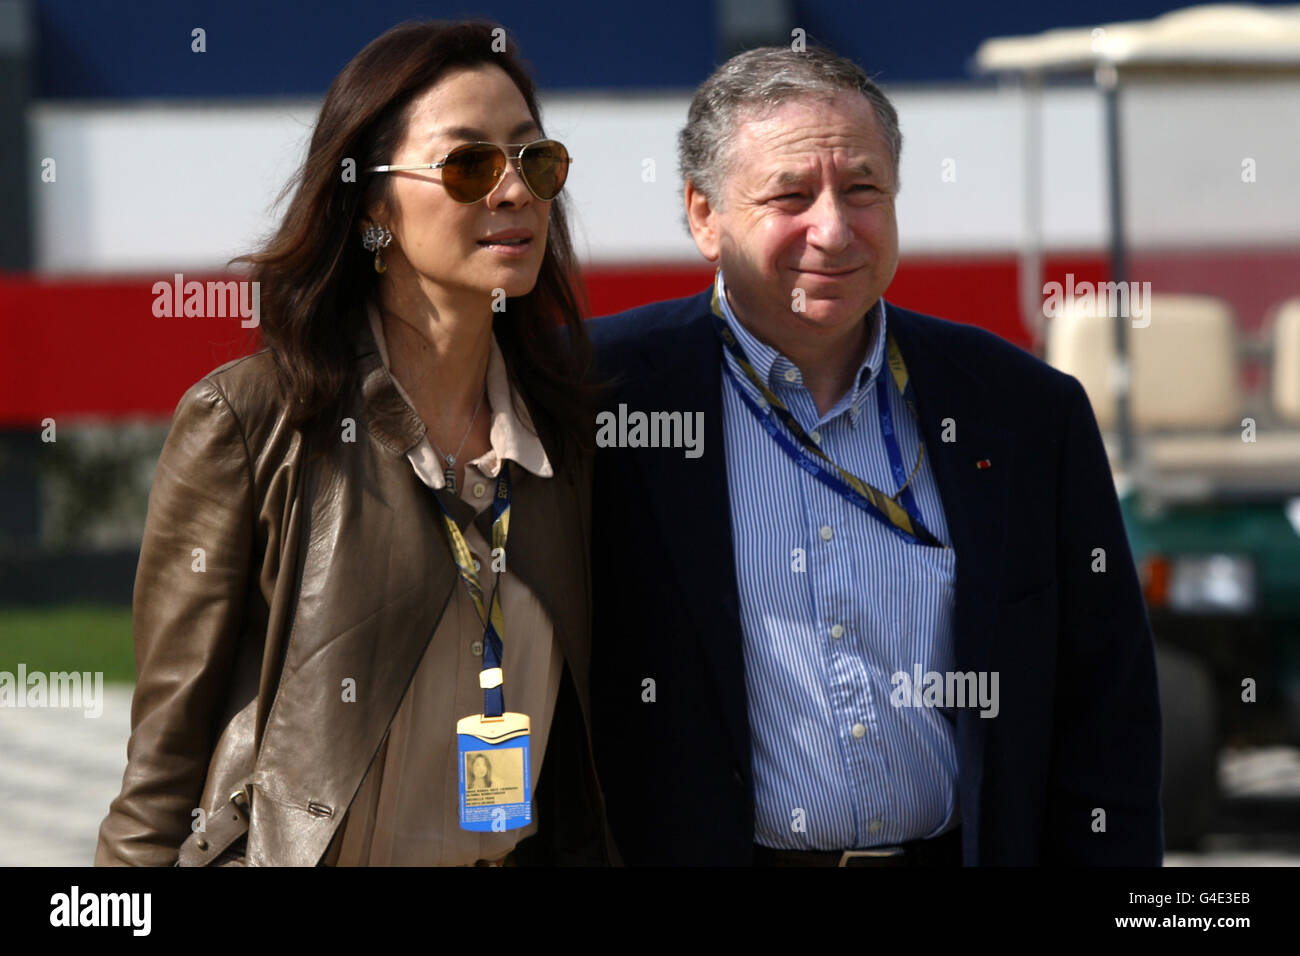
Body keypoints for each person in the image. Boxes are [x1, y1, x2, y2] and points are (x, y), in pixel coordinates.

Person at [587, 45, 1162, 866]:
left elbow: (1108, 707)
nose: (834, 228)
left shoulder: (1023, 411)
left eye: (862, 190)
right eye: (790, 195)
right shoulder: (601, 397)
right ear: (704, 215)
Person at [95, 20, 616, 867]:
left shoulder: (565, 437)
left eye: (535, 159)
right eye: (471, 164)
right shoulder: (252, 423)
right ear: (372, 202)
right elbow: (158, 786)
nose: (515, 190)